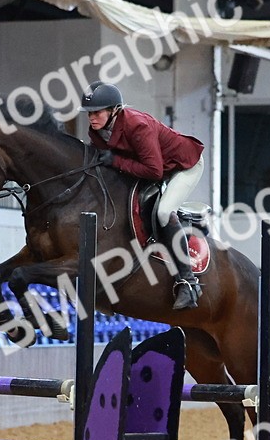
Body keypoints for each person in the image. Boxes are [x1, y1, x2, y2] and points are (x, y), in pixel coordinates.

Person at [81, 82, 206, 309]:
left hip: (183, 165)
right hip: (153, 167)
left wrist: (116, 161)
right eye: (89, 113)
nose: (91, 117)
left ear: (114, 110)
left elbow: (154, 171)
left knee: (163, 211)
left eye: (97, 112)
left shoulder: (137, 125)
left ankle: (188, 282)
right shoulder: (97, 131)